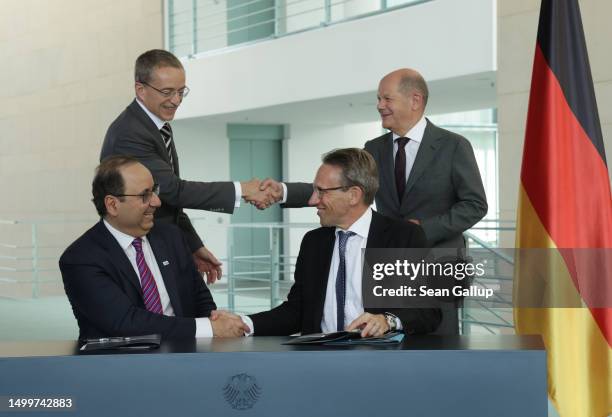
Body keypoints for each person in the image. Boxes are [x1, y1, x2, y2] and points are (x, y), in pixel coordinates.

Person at [259, 69, 488, 333]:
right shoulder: (375, 147)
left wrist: (420, 230)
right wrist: (283, 191)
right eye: (379, 99)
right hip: (385, 260)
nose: (380, 106)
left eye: (386, 99)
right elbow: (343, 185)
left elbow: (475, 204)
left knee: (436, 340)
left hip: (436, 262)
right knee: (383, 332)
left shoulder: (453, 145)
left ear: (415, 100)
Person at [100, 49, 274, 284]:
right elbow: (173, 190)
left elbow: (171, 201)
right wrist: (242, 189)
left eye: (181, 92)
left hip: (163, 243)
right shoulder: (130, 133)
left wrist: (193, 245)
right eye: (167, 92)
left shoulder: (158, 126)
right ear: (140, 89)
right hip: (140, 250)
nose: (176, 100)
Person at [225, 148, 441, 336]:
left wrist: (387, 321)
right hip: (319, 365)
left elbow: (428, 312)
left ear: (354, 195)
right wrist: (244, 324)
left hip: (379, 364)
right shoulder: (313, 243)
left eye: (321, 191)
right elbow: (297, 312)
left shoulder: (403, 238)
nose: (312, 200)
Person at [59, 156, 250, 340]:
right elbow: (125, 322)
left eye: (154, 190)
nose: (156, 202)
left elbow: (200, 298)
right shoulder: (81, 258)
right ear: (112, 204)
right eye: (145, 195)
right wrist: (209, 327)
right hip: (119, 367)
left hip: (186, 358)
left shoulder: (171, 237)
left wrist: (215, 325)